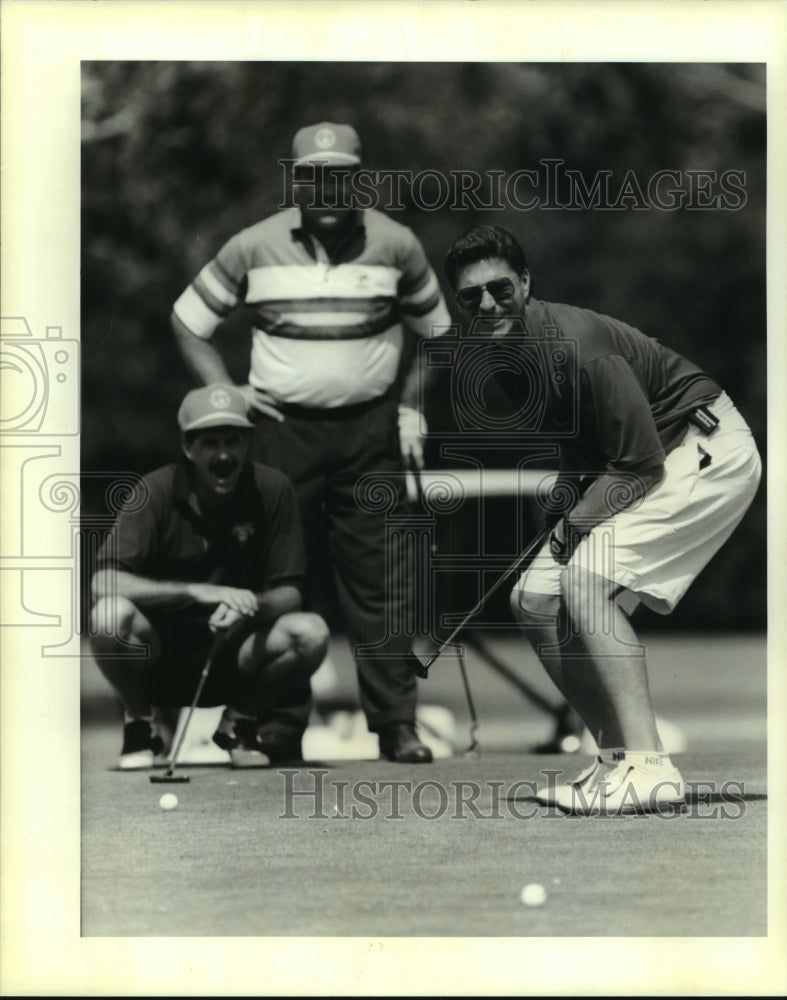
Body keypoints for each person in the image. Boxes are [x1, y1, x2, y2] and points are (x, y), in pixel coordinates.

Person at [443, 224, 762, 814]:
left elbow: (637, 464)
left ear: (527, 284)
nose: (487, 304)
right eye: (471, 297)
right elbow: (584, 449)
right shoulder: (500, 357)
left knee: (582, 579)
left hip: (705, 449)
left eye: (500, 288)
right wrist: (565, 507)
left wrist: (573, 526)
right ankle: (615, 762)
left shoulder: (580, 343)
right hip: (657, 459)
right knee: (533, 598)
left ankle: (651, 767)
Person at [170, 122, 452, 764]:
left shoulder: (396, 244)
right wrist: (227, 395)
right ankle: (277, 727)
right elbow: (188, 322)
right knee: (281, 580)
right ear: (295, 180)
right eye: (313, 175)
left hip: (370, 432)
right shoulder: (254, 246)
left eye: (340, 174)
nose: (327, 186)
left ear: (357, 177)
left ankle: (395, 725)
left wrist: (410, 405)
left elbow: (440, 332)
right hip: (280, 433)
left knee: (382, 580)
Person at [90, 383, 329, 770]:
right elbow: (103, 583)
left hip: (234, 655)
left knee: (311, 631)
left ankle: (238, 723)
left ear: (246, 445)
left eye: (232, 442)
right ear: (188, 448)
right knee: (107, 617)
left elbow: (291, 592)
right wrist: (195, 591)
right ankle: (141, 726)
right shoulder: (153, 490)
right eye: (210, 443)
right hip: (162, 657)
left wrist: (250, 606)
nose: (223, 455)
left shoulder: (273, 489)